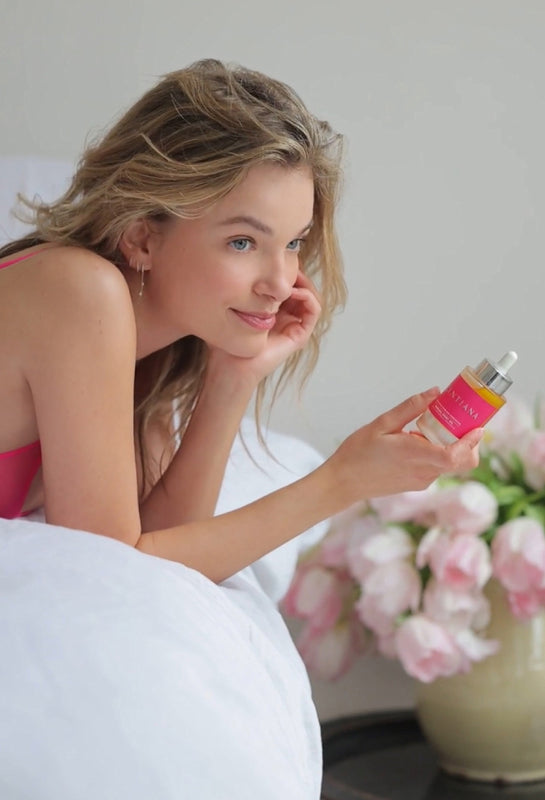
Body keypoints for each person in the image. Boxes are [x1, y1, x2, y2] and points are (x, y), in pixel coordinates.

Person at [0, 58, 481, 584]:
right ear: (141, 237)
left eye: (293, 242)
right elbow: (107, 565)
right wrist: (340, 482)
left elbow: (161, 548)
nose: (279, 282)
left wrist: (233, 376)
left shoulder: (150, 362)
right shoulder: (78, 291)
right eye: (242, 242)